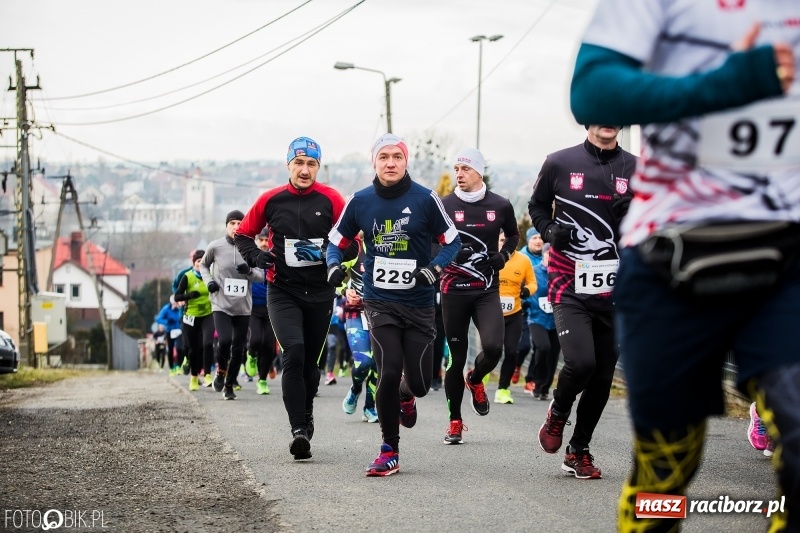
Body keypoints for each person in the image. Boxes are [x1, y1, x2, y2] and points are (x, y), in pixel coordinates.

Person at [572, 3, 799, 529]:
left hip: (789, 251)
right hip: (673, 255)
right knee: (666, 470)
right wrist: (724, 85)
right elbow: (592, 93)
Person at [327, 133, 460, 476]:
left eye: (396, 157)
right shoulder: (360, 201)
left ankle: (407, 395)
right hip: (379, 300)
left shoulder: (426, 199)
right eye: (383, 157)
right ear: (374, 162)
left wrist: (435, 268)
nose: (390, 163)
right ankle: (389, 449)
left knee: (417, 382)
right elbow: (335, 242)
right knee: (387, 370)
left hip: (418, 304)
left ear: (405, 162)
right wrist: (332, 266)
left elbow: (452, 241)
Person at [234, 137, 356, 460]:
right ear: (288, 164)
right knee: (294, 351)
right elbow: (243, 235)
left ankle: (307, 407)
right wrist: (258, 259)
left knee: (311, 366)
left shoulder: (331, 199)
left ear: (318, 167)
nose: (305, 170)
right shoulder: (270, 200)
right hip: (282, 289)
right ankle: (298, 430)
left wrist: (339, 260)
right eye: (299, 163)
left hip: (319, 292)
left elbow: (352, 241)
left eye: (311, 164)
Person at [529, 124, 635, 479]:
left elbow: (654, 225)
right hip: (568, 281)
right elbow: (537, 206)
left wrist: (632, 216)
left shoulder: (637, 169)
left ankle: (578, 450)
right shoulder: (559, 162)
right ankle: (558, 412)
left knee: (603, 376)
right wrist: (548, 231)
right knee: (581, 362)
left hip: (616, 288)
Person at [439, 148, 519, 445]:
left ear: (479, 172)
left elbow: (513, 235)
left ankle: (476, 380)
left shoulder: (500, 204)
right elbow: (430, 241)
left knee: (494, 348)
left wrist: (504, 256)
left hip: (486, 289)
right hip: (453, 291)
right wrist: (443, 256)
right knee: (455, 359)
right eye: (456, 168)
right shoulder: (443, 205)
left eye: (465, 169)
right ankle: (455, 422)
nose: (459, 174)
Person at [199, 210, 264, 400]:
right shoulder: (216, 246)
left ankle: (229, 385)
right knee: (225, 340)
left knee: (238, 347)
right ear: (226, 226)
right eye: (232, 223)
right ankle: (220, 371)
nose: (236, 227)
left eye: (239, 223)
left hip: (243, 306)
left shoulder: (252, 248)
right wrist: (209, 282)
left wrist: (249, 271)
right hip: (221, 303)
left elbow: (261, 277)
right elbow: (203, 265)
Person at [493, 231, 537, 405]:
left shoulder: (523, 260)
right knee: (493, 350)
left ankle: (502, 390)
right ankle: (480, 373)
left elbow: (533, 282)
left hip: (514, 313)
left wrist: (526, 291)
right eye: (502, 240)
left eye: (508, 240)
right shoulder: (490, 257)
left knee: (512, 351)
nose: (505, 243)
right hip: (491, 313)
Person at [340, 239, 379, 423]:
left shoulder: (392, 248)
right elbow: (331, 273)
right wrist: (344, 291)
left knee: (379, 365)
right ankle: (356, 389)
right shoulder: (355, 248)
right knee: (364, 362)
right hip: (357, 314)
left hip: (383, 314)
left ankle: (370, 407)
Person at [173, 250, 214, 392]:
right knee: (193, 349)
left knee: (208, 344)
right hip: (191, 316)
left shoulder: (211, 276)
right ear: (194, 263)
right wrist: (189, 295)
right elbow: (177, 297)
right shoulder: (187, 276)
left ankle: (208, 374)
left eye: (203, 261)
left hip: (208, 314)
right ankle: (194, 376)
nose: (200, 264)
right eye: (198, 261)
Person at [525, 243, 559, 401]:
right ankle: (537, 381)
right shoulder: (534, 271)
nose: (551, 258)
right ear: (543, 255)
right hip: (537, 317)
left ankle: (545, 387)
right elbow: (527, 288)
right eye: (548, 255)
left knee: (553, 353)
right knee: (543, 347)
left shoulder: (562, 272)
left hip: (556, 319)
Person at [245, 227, 277, 396]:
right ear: (256, 241)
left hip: (271, 308)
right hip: (252, 307)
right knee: (256, 339)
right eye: (261, 240)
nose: (264, 244)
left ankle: (262, 381)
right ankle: (251, 355)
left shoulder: (274, 257)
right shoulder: (250, 258)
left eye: (267, 240)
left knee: (269, 346)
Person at [514, 227, 545, 390]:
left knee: (540, 346)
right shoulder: (521, 257)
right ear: (528, 240)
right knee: (524, 345)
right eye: (534, 238)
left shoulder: (547, 257)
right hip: (523, 308)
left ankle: (530, 379)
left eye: (541, 238)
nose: (538, 241)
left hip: (541, 309)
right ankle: (516, 365)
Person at [155, 298, 183, 375]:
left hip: (179, 331)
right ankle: (171, 368)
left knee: (180, 348)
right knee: (170, 350)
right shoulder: (166, 308)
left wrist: (180, 311)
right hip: (170, 331)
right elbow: (158, 319)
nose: (176, 305)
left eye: (177, 303)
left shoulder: (180, 308)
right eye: (174, 303)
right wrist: (167, 321)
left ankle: (178, 366)